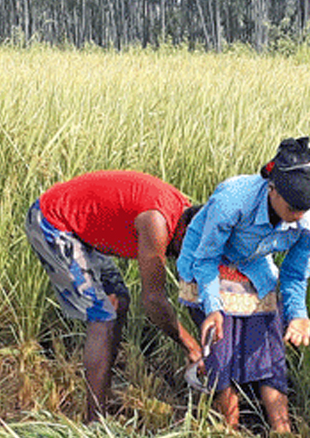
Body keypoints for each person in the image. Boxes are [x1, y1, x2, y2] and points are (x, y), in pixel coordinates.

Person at [176, 136, 310, 435]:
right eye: (293, 207)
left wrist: (297, 313)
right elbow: (205, 259)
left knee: (269, 350)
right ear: (272, 189)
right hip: (206, 263)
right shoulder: (233, 200)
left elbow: (295, 275)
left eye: (306, 208)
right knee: (222, 350)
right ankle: (229, 434)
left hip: (252, 265)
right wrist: (213, 308)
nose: (299, 216)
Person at [25, 170, 203, 422]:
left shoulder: (186, 214)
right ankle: (94, 422)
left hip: (79, 228)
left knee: (119, 299)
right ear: (185, 234)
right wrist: (190, 345)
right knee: (103, 316)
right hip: (53, 222)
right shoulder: (157, 223)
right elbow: (153, 300)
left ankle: (102, 387)